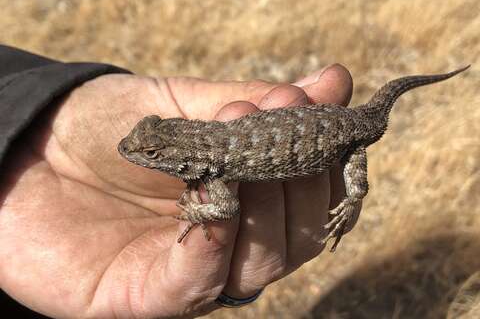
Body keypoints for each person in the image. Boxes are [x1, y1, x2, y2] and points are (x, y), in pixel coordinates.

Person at [0, 45, 356, 318]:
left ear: (181, 156)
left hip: (346, 140)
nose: (128, 149)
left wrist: (197, 213)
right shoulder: (211, 152)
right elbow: (227, 204)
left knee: (344, 179)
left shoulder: (212, 165)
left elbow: (227, 206)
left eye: (152, 155)